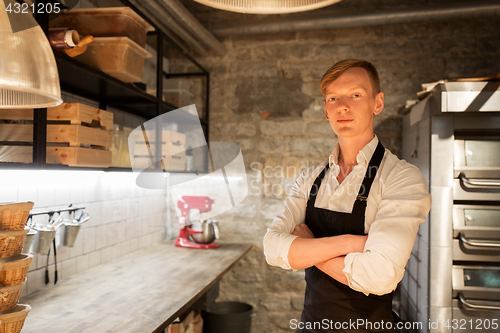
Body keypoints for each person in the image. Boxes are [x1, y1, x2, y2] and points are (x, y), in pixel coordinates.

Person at [263, 59, 431, 333]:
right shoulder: (311, 178)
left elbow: (380, 276)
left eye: (355, 95)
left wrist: (311, 249)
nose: (343, 105)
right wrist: (352, 242)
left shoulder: (400, 177)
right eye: (333, 98)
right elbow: (272, 247)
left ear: (377, 103)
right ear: (326, 111)